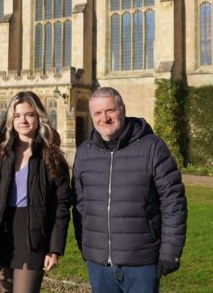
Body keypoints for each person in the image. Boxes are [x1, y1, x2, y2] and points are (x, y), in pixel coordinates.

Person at [72, 87, 187, 293]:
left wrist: (170, 252)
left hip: (141, 262)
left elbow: (173, 202)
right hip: (99, 264)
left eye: (110, 111)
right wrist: (87, 246)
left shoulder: (152, 147)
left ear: (122, 110)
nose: (104, 118)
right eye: (97, 113)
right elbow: (80, 205)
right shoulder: (84, 152)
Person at [0, 91, 71, 293]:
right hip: (3, 233)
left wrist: (54, 248)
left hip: (34, 234)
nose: (23, 120)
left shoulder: (51, 156)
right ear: (11, 120)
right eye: (17, 116)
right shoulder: (0, 153)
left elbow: (61, 206)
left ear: (39, 117)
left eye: (29, 114)